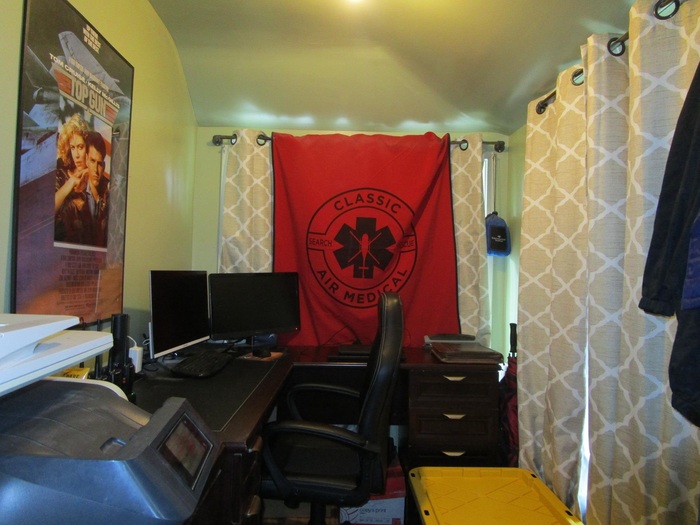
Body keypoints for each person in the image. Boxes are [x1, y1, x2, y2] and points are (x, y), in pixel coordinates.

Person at [54, 113, 92, 244]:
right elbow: (48, 211)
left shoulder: (95, 178)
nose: (76, 154)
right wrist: (70, 182)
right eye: (73, 148)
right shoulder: (60, 172)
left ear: (88, 147)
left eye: (80, 147)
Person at [84, 131, 109, 247]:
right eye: (92, 161)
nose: (95, 169)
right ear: (86, 160)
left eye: (99, 164)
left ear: (103, 166)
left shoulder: (110, 195)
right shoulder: (76, 192)